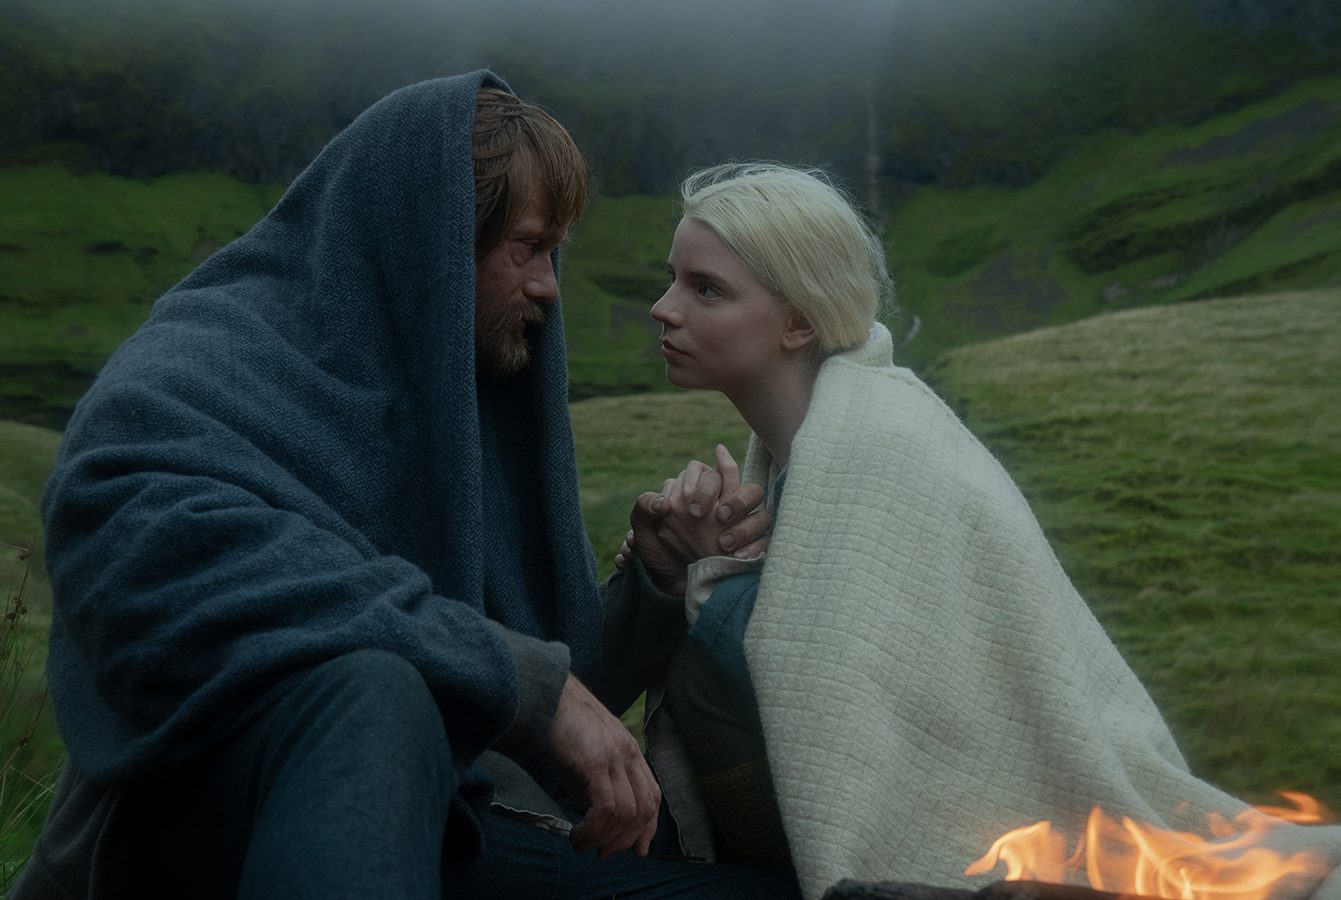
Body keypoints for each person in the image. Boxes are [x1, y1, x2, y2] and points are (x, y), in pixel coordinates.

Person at [11, 73, 798, 900]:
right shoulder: (193, 371)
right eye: (526, 246)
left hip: (485, 822)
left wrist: (653, 589)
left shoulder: (452, 401)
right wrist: (527, 685)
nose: (548, 285)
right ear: (430, 238)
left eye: (554, 251)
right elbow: (158, 568)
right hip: (235, 824)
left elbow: (534, 702)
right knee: (374, 684)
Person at [617, 162, 1341, 899]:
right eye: (672, 279)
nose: (662, 308)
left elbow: (832, 692)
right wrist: (689, 565)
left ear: (798, 321)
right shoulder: (812, 449)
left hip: (1021, 830)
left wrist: (712, 574)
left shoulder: (876, 444)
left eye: (705, 289)